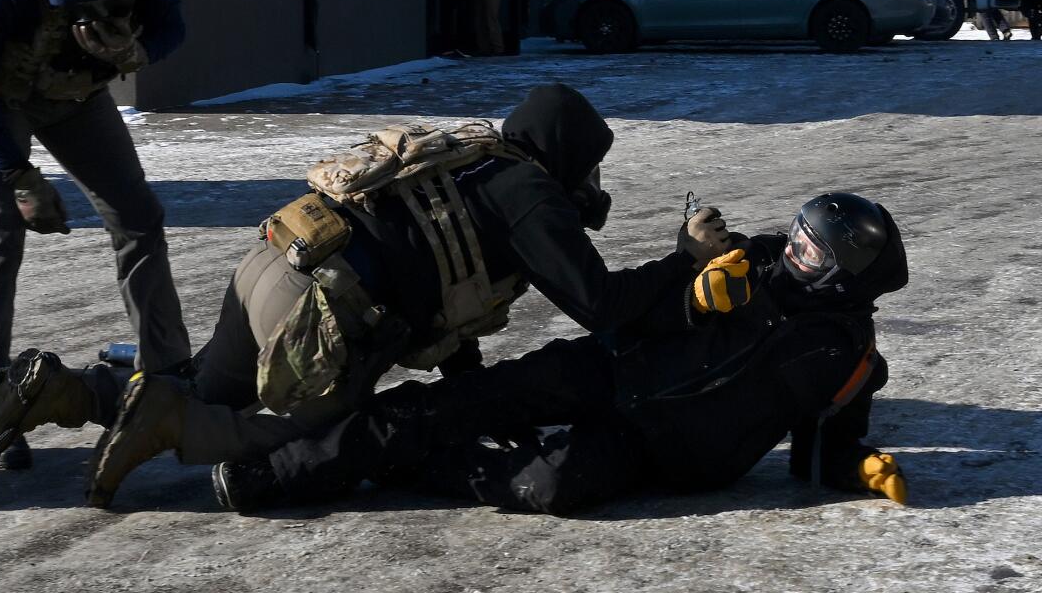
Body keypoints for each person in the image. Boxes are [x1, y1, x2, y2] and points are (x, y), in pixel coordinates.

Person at [0, 84, 732, 506]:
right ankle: (167, 432)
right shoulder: (532, 193)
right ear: (563, 152)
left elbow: (450, 297)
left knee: (202, 378)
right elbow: (599, 304)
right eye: (588, 166)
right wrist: (682, 262)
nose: (590, 185)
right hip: (321, 315)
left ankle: (60, 392)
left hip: (275, 259)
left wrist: (477, 403)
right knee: (327, 434)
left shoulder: (470, 159)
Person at [211, 193, 910, 516]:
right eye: (795, 233)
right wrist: (691, 291)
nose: (790, 249)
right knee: (456, 401)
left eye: (809, 248)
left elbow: (820, 449)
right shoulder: (750, 261)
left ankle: (416, 459)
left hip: (665, 454)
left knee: (545, 488)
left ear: (844, 270)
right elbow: (645, 313)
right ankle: (279, 471)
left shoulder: (849, 357)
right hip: (609, 369)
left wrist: (860, 466)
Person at [0, 0, 192, 470]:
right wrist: (20, 175)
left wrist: (135, 50)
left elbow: (173, 28)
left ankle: (171, 379)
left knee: (138, 217)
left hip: (75, 96)